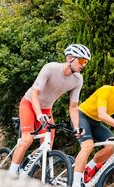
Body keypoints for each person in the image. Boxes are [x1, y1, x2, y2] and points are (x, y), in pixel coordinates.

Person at [8, 44, 91, 177]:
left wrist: (76, 127)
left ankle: (26, 165)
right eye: (82, 61)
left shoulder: (78, 80)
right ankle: (11, 175)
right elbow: (35, 93)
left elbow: (73, 106)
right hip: (29, 104)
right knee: (27, 139)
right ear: (70, 58)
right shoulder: (51, 68)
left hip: (46, 109)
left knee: (47, 145)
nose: (84, 65)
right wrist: (38, 114)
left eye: (86, 62)